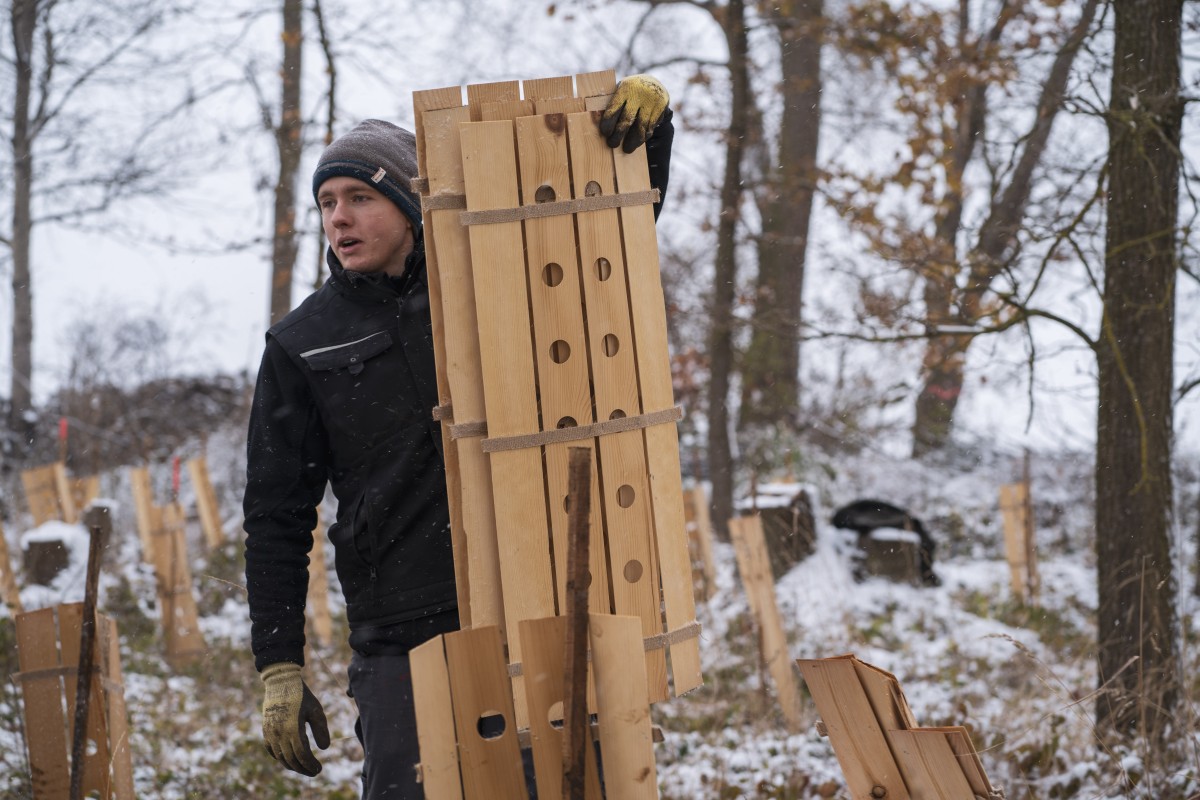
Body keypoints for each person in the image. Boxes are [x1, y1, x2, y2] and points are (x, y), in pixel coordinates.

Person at [243, 74, 674, 799]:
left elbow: (606, 235)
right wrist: (278, 662)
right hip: (404, 638)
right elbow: (275, 515)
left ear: (411, 207)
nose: (338, 219)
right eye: (326, 203)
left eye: (360, 198)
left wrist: (653, 134)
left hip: (534, 603)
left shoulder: (496, 285)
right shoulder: (302, 343)